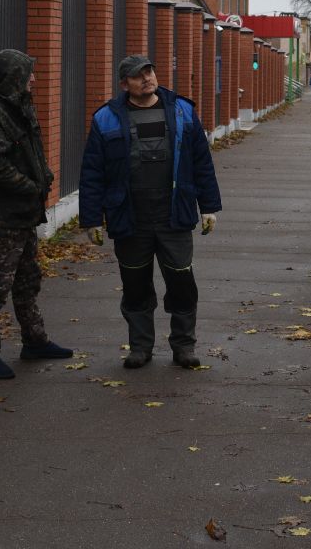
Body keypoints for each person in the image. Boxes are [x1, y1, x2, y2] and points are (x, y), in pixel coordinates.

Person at [80, 55, 222, 369]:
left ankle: (183, 346)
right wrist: (91, 219)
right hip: (130, 217)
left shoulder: (182, 111)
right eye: (137, 75)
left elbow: (201, 161)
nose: (146, 78)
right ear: (123, 84)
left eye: (149, 72)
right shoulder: (106, 118)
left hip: (174, 213)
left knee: (182, 284)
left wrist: (209, 206)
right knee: (135, 286)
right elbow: (92, 172)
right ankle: (140, 347)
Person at [0, 49, 72, 379]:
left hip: (26, 212)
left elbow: (31, 149)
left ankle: (35, 340)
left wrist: (44, 176)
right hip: (7, 214)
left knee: (27, 280)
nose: (34, 79)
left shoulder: (19, 104)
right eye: (28, 74)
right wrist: (30, 185)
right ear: (14, 76)